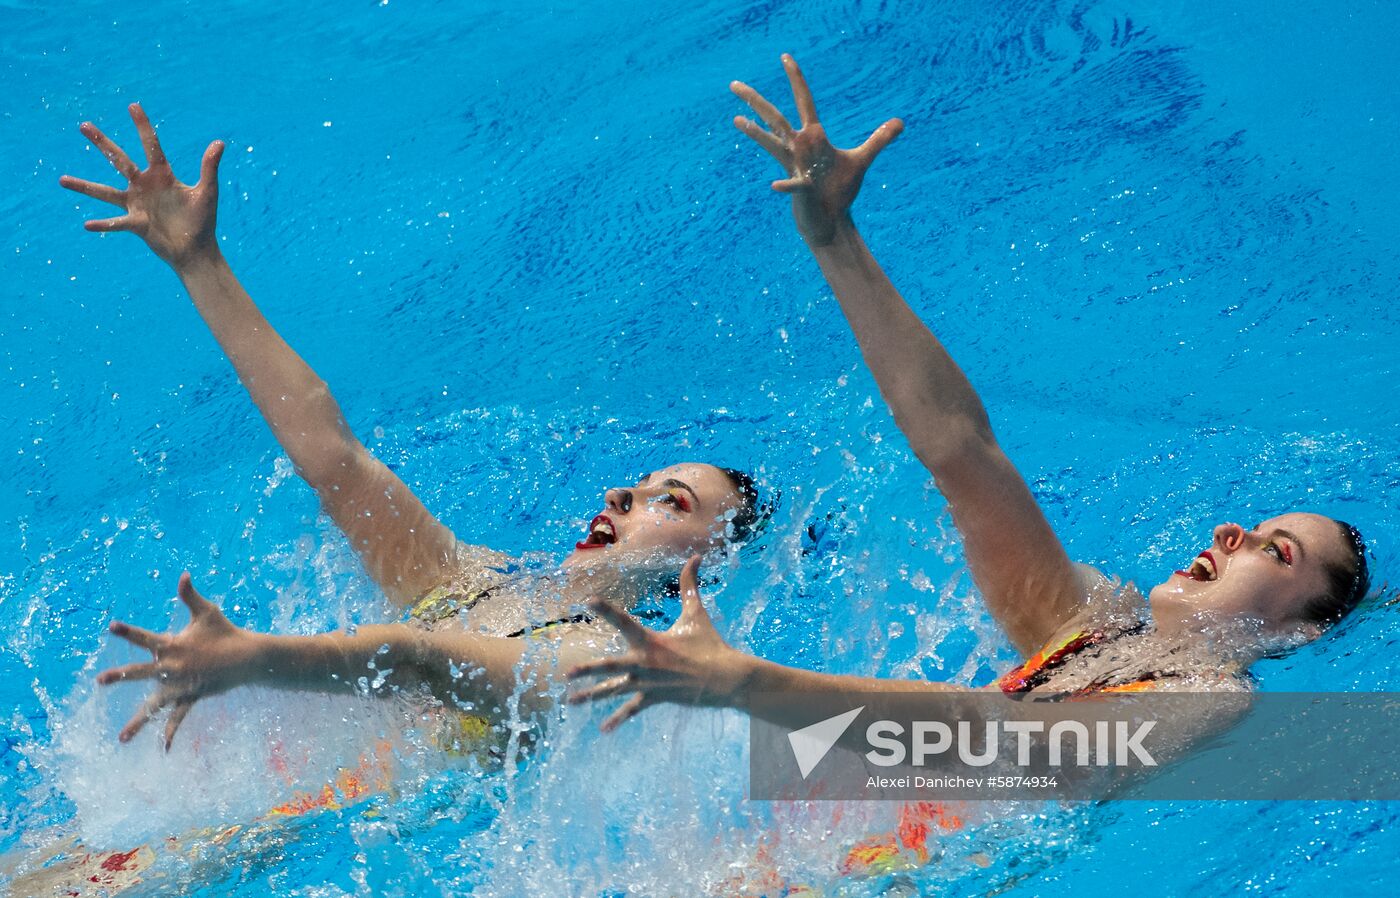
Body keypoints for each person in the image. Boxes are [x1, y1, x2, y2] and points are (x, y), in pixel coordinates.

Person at [565, 53, 1373, 881]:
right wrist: (834, 237)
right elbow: (960, 452)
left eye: (1277, 552)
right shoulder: (1086, 621)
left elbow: (992, 738)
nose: (1233, 532)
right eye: (1255, 527)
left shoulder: (1212, 703)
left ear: (1301, 630)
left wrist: (748, 684)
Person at [59, 104, 764, 754]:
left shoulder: (616, 662)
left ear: (710, 559)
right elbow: (333, 461)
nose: (619, 494)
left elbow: (420, 660)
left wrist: (251, 656)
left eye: (670, 500)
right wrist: (198, 262)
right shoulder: (471, 578)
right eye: (639, 484)